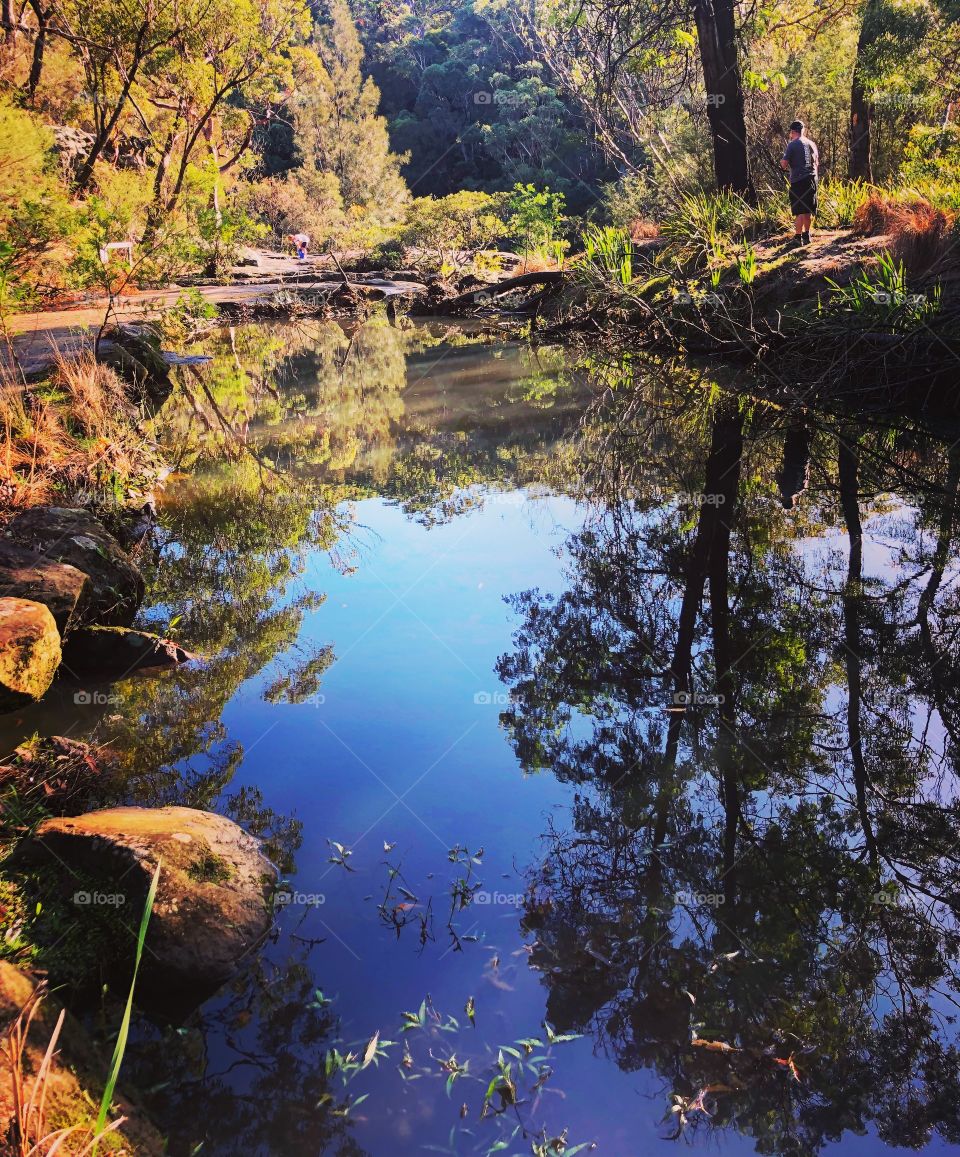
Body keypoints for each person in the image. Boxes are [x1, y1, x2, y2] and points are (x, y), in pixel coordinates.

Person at [780, 120, 819, 247]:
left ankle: (797, 238)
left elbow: (784, 164)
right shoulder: (811, 144)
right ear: (803, 130)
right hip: (812, 179)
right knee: (808, 208)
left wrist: (783, 162)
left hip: (798, 180)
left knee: (799, 209)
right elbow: (816, 163)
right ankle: (807, 235)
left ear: (792, 132)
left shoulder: (792, 145)